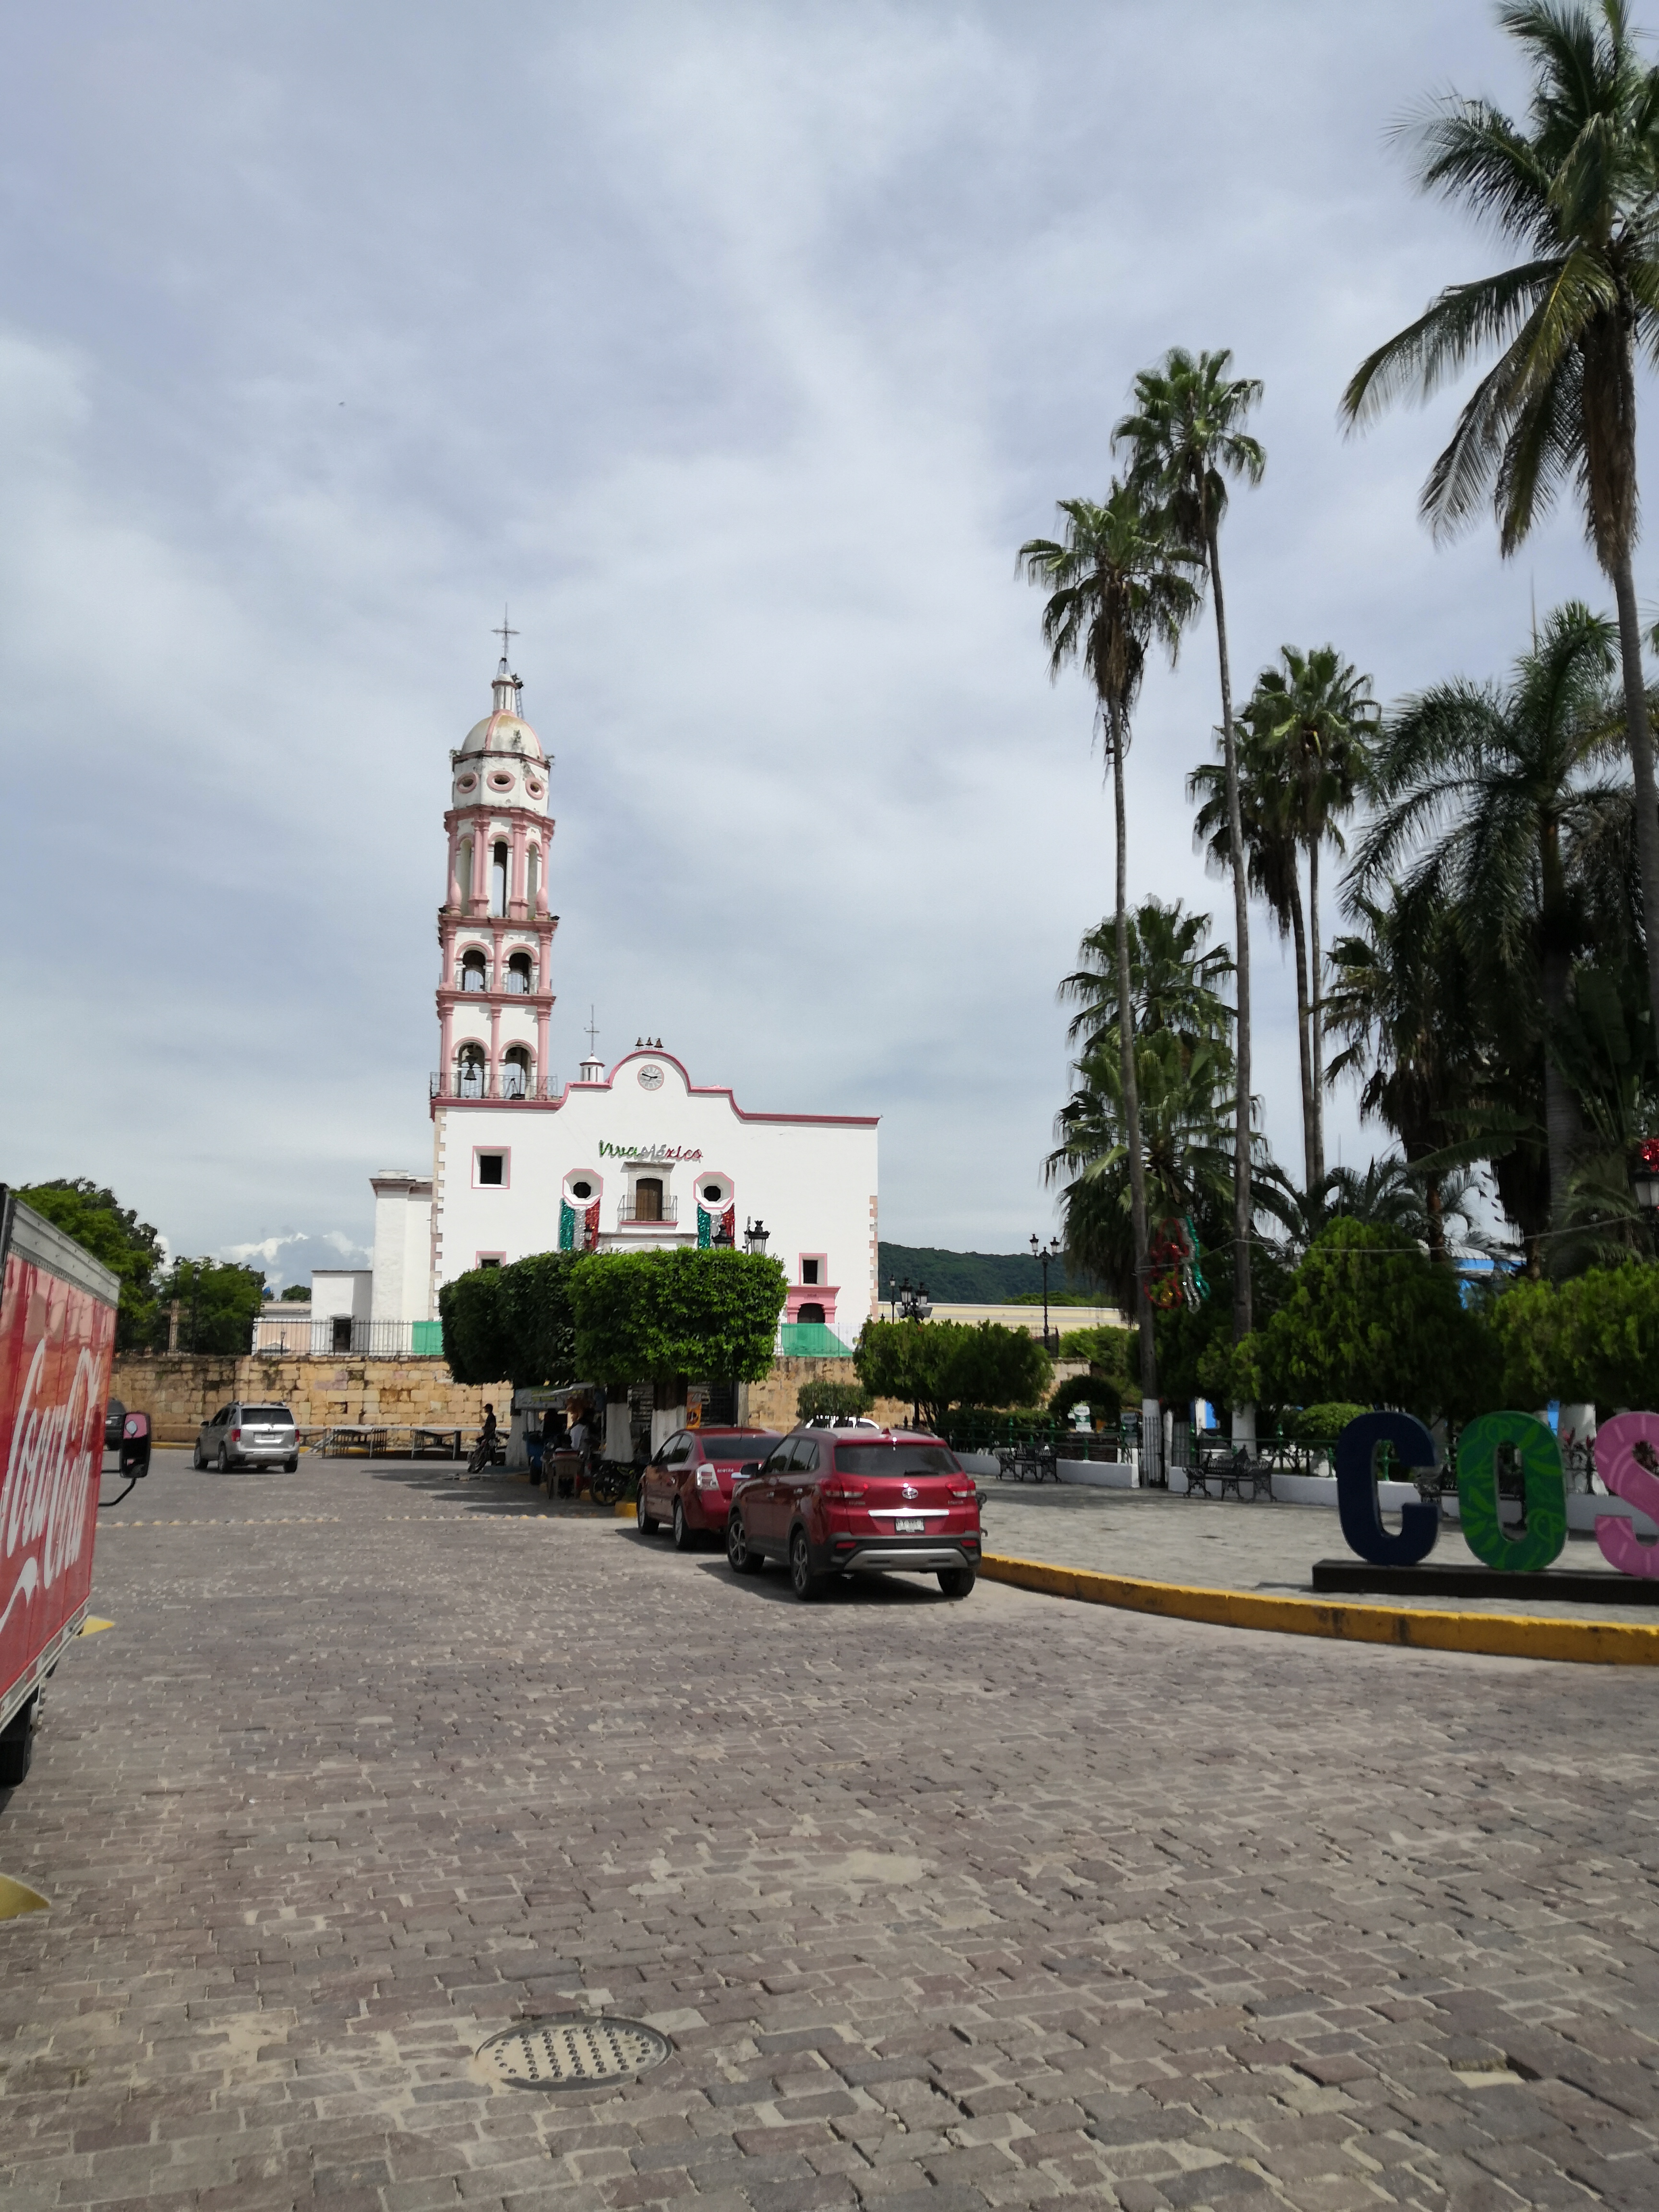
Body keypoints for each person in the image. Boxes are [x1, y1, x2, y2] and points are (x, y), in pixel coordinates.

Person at [468, 1402, 499, 1475]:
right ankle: (493, 1464)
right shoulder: (490, 1417)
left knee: (487, 1450)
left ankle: (490, 1464)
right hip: (488, 1436)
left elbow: (492, 1427)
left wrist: (485, 1429)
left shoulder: (491, 1417)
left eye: (486, 1408)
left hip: (489, 1437)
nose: (485, 1410)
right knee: (491, 1451)